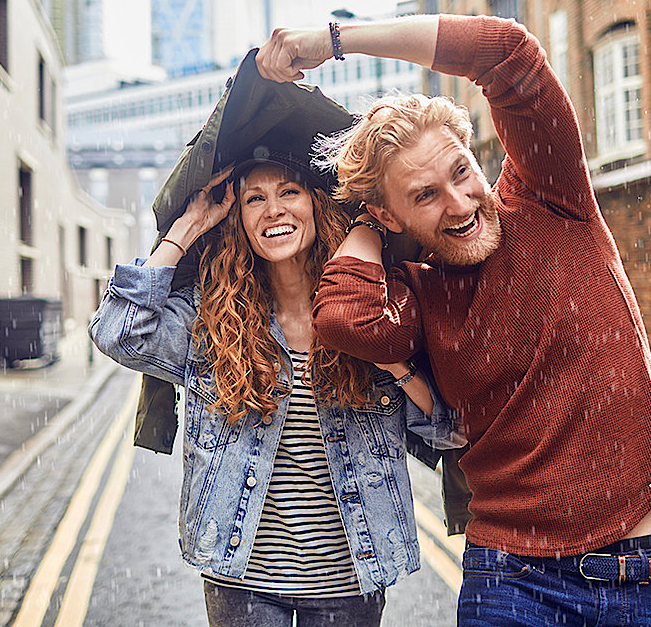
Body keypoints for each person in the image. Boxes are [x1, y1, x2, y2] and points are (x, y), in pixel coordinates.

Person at [255, 14, 651, 626]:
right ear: (390, 214)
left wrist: (335, 42)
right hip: (509, 578)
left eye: (460, 171)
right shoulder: (417, 295)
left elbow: (506, 51)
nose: (460, 204)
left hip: (641, 571)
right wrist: (364, 226)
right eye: (424, 195)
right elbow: (344, 319)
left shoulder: (550, 198)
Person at [88, 148, 457, 627]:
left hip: (349, 582)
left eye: (289, 192)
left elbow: (449, 432)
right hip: (242, 582)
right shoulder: (212, 321)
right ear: (238, 218)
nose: (274, 210)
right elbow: (117, 330)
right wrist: (188, 226)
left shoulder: (368, 311)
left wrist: (395, 363)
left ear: (316, 205)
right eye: (254, 199)